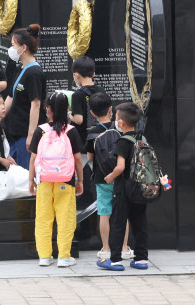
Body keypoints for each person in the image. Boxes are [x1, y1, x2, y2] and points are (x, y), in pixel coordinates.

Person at [28, 93, 84, 268]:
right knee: (65, 218)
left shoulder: (41, 130)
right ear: (67, 110)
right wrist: (80, 181)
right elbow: (78, 160)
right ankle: (64, 257)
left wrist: (31, 180)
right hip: (65, 181)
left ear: (48, 110)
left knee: (44, 218)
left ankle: (44, 256)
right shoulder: (71, 131)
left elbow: (32, 159)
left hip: (44, 180)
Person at [97, 103, 149, 271]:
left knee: (119, 223)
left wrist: (110, 177)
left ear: (122, 123)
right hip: (140, 189)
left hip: (124, 189)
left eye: (117, 118)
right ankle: (141, 259)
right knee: (140, 224)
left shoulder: (122, 141)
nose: (115, 120)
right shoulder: (141, 139)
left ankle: (115, 260)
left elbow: (120, 167)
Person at [85, 93, 133, 260]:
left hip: (102, 178)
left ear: (92, 113)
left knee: (104, 213)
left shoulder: (91, 132)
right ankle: (124, 248)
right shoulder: (120, 128)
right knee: (122, 213)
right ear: (111, 109)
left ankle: (106, 248)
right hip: (120, 176)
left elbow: (90, 158)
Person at [4, 24, 46, 169]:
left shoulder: (34, 72)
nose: (11, 49)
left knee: (24, 177)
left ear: (24, 48)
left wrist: (31, 135)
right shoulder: (21, 68)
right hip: (14, 134)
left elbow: (36, 104)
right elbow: (11, 96)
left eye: (13, 45)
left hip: (25, 136)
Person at [70, 56, 105, 143]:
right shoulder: (101, 90)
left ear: (76, 75)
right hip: (101, 137)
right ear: (93, 74)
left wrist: (68, 114)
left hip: (83, 140)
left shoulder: (77, 95)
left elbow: (78, 120)